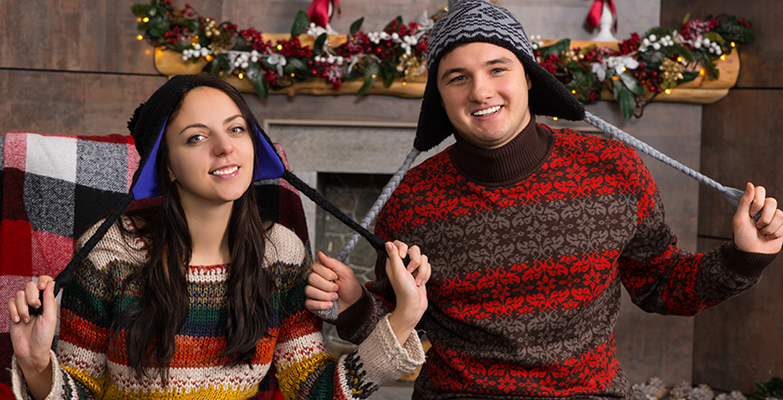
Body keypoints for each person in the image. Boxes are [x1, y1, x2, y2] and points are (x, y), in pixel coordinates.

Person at [305, 0, 783, 398]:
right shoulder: (411, 199)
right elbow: (396, 328)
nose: (481, 91)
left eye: (498, 68)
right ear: (440, 96)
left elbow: (660, 284)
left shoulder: (612, 168)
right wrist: (352, 304)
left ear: (529, 77)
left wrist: (743, 258)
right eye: (457, 78)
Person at [6, 74, 431, 400]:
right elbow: (80, 390)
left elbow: (314, 390)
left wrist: (402, 318)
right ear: (167, 165)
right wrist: (36, 364)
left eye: (236, 129)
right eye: (196, 137)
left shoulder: (281, 252)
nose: (225, 148)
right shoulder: (110, 251)